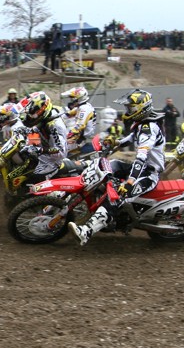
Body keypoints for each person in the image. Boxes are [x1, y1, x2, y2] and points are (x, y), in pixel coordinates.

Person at [70, 90, 166, 245]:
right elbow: (131, 138)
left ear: (141, 108)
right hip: (139, 167)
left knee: (118, 196)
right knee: (109, 165)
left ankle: (86, 232)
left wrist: (130, 182)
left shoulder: (148, 129)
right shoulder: (142, 124)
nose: (128, 111)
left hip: (148, 173)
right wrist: (116, 142)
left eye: (130, 108)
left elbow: (141, 157)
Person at [19, 91, 69, 182]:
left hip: (52, 162)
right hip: (42, 156)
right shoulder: (46, 119)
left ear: (42, 109)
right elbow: (36, 131)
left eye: (33, 113)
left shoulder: (54, 125)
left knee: (30, 180)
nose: (31, 116)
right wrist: (25, 133)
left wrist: (40, 150)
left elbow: (61, 152)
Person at [60, 86, 98, 155]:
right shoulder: (84, 106)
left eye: (73, 98)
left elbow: (79, 126)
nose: (71, 101)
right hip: (81, 136)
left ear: (79, 98)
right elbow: (67, 114)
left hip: (80, 139)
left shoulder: (84, 109)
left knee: (59, 150)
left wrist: (68, 136)